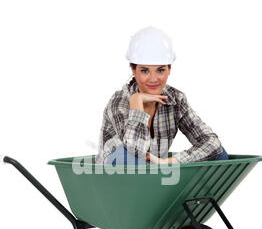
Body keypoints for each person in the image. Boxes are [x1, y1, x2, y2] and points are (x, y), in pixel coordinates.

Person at [95, 26, 229, 166]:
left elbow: (212, 143)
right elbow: (134, 151)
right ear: (133, 70)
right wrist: (136, 102)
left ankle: (186, 188)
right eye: (145, 71)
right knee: (126, 157)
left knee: (219, 154)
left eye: (160, 70)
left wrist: (170, 161)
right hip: (114, 176)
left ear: (169, 69)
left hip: (153, 173)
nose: (153, 79)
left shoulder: (176, 99)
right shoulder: (120, 101)